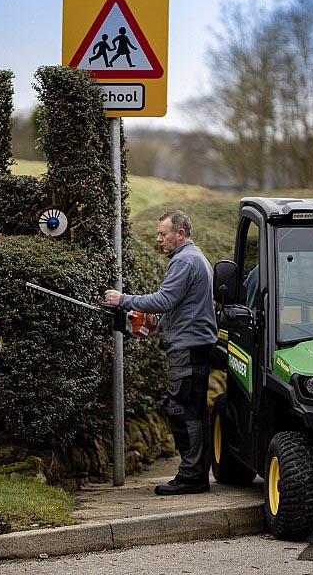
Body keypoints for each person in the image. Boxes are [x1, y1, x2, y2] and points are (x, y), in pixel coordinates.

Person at [104, 210, 217, 495]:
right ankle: (198, 474)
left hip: (187, 349)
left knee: (182, 411)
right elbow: (182, 307)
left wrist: (123, 299)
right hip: (197, 345)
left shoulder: (184, 260)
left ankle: (191, 477)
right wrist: (149, 323)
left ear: (180, 233)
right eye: (158, 234)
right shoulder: (196, 258)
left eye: (163, 234)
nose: (159, 239)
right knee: (196, 411)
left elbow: (165, 299)